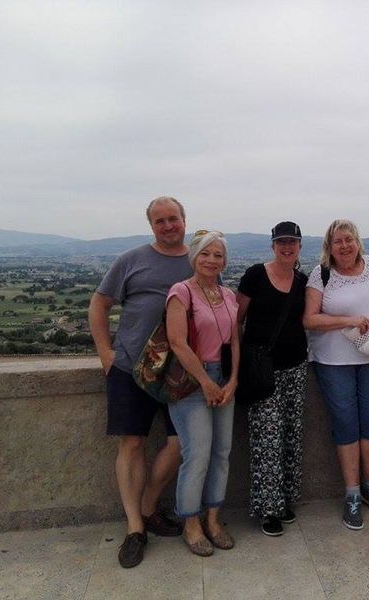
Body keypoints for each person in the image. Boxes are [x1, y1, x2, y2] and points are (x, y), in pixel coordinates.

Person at [89, 196, 189, 568]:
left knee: (181, 444)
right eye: (160, 221)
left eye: (173, 219)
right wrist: (105, 353)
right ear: (151, 226)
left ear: (184, 220)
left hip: (180, 371)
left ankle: (147, 508)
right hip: (130, 368)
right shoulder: (130, 260)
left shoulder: (200, 260)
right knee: (132, 444)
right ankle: (135, 528)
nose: (168, 226)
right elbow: (99, 304)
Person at [303, 219, 369, 530]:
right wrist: (348, 320)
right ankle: (352, 492)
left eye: (349, 239)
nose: (344, 245)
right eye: (338, 241)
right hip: (334, 361)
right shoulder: (322, 273)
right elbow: (309, 320)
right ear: (329, 246)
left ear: (358, 241)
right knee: (345, 423)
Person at [165, 229, 239, 556]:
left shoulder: (229, 295)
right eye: (206, 254)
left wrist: (233, 379)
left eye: (218, 255)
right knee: (197, 454)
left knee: (222, 451)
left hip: (224, 378)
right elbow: (177, 342)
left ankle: (213, 518)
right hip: (192, 380)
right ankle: (190, 522)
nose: (212, 260)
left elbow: (235, 341)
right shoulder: (181, 292)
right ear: (194, 257)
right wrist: (205, 382)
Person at [236, 221, 308, 537]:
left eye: (292, 241)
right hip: (260, 370)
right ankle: (268, 508)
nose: (287, 246)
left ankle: (282, 501)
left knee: (291, 434)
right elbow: (235, 323)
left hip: (295, 367)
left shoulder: (303, 280)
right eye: (281, 242)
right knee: (267, 439)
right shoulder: (254, 275)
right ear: (273, 245)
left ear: (300, 246)